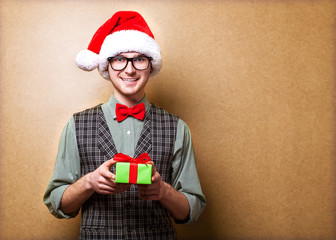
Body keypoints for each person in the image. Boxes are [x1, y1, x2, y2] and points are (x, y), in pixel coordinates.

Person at [43, 11, 206, 240]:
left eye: (139, 58)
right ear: (106, 66)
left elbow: (193, 209)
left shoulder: (178, 128)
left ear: (151, 65)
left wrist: (163, 191)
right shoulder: (76, 125)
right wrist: (89, 182)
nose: (129, 69)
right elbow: (58, 204)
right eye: (119, 59)